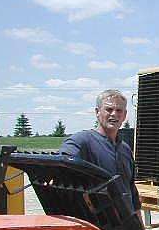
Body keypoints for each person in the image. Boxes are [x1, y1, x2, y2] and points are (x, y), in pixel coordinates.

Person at [60, 89, 141, 217]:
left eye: (119, 110)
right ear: (97, 112)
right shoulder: (81, 142)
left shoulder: (125, 150)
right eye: (109, 109)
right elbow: (60, 169)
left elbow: (133, 198)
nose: (114, 114)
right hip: (98, 226)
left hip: (126, 226)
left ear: (124, 115)